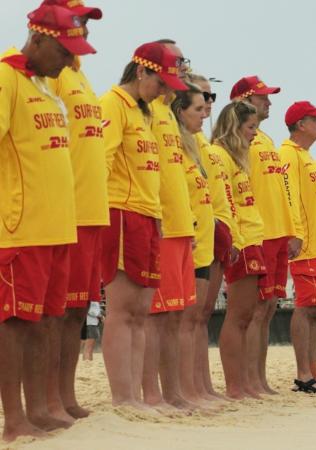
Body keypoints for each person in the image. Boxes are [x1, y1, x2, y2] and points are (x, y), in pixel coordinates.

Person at [0, 5, 94, 438]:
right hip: (21, 226)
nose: (70, 60)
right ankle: (14, 419)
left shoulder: (44, 84)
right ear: (37, 40)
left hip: (59, 224)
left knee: (50, 319)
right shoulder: (6, 77)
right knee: (16, 322)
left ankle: (40, 407)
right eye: (63, 49)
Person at [100, 41, 185, 409]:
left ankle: (136, 395)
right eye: (160, 82)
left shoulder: (146, 112)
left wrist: (159, 217)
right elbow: (100, 160)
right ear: (141, 71)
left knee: (141, 312)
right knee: (122, 310)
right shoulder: (114, 104)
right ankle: (124, 398)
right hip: (121, 211)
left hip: (148, 215)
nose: (165, 91)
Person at [44, 0, 104, 422]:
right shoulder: (54, 75)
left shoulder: (82, 77)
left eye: (85, 22)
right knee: (55, 313)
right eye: (76, 20)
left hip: (91, 209)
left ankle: (64, 395)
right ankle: (47, 398)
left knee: (78, 312)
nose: (83, 28)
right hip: (64, 210)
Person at [142, 39, 199, 410]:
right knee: (156, 317)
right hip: (159, 222)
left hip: (181, 226)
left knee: (177, 315)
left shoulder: (167, 113)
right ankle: (151, 392)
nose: (180, 66)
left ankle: (175, 391)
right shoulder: (145, 108)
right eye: (175, 60)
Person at [230, 76, 290, 396]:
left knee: (267, 310)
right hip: (258, 231)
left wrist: (291, 230)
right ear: (244, 100)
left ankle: (259, 377)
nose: (269, 102)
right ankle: (247, 379)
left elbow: (282, 190)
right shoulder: (242, 139)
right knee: (254, 310)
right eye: (263, 97)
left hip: (278, 231)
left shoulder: (266, 140)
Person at [277, 101, 316, 393]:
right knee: (306, 308)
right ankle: (304, 374)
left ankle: (314, 372)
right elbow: (288, 196)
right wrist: (295, 233)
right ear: (301, 124)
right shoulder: (288, 154)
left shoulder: (306, 157)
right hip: (308, 244)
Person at [212, 100, 268, 399]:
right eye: (250, 128)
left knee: (248, 316)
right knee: (239, 315)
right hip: (241, 241)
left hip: (253, 237)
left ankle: (244, 381)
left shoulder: (237, 159)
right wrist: (235, 239)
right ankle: (236, 384)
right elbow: (225, 202)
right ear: (234, 127)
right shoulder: (220, 155)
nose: (254, 135)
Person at [170, 80, 218, 404]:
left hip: (200, 239)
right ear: (180, 111)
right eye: (199, 109)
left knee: (196, 319)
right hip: (185, 238)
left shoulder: (195, 147)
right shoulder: (177, 144)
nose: (205, 113)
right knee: (183, 321)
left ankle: (198, 388)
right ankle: (185, 389)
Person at [192, 74, 236, 400]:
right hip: (196, 228)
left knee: (202, 315)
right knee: (190, 316)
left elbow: (222, 195)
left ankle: (202, 384)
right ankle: (192, 386)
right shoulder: (196, 143)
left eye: (211, 96)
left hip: (215, 226)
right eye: (204, 96)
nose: (209, 103)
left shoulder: (207, 146)